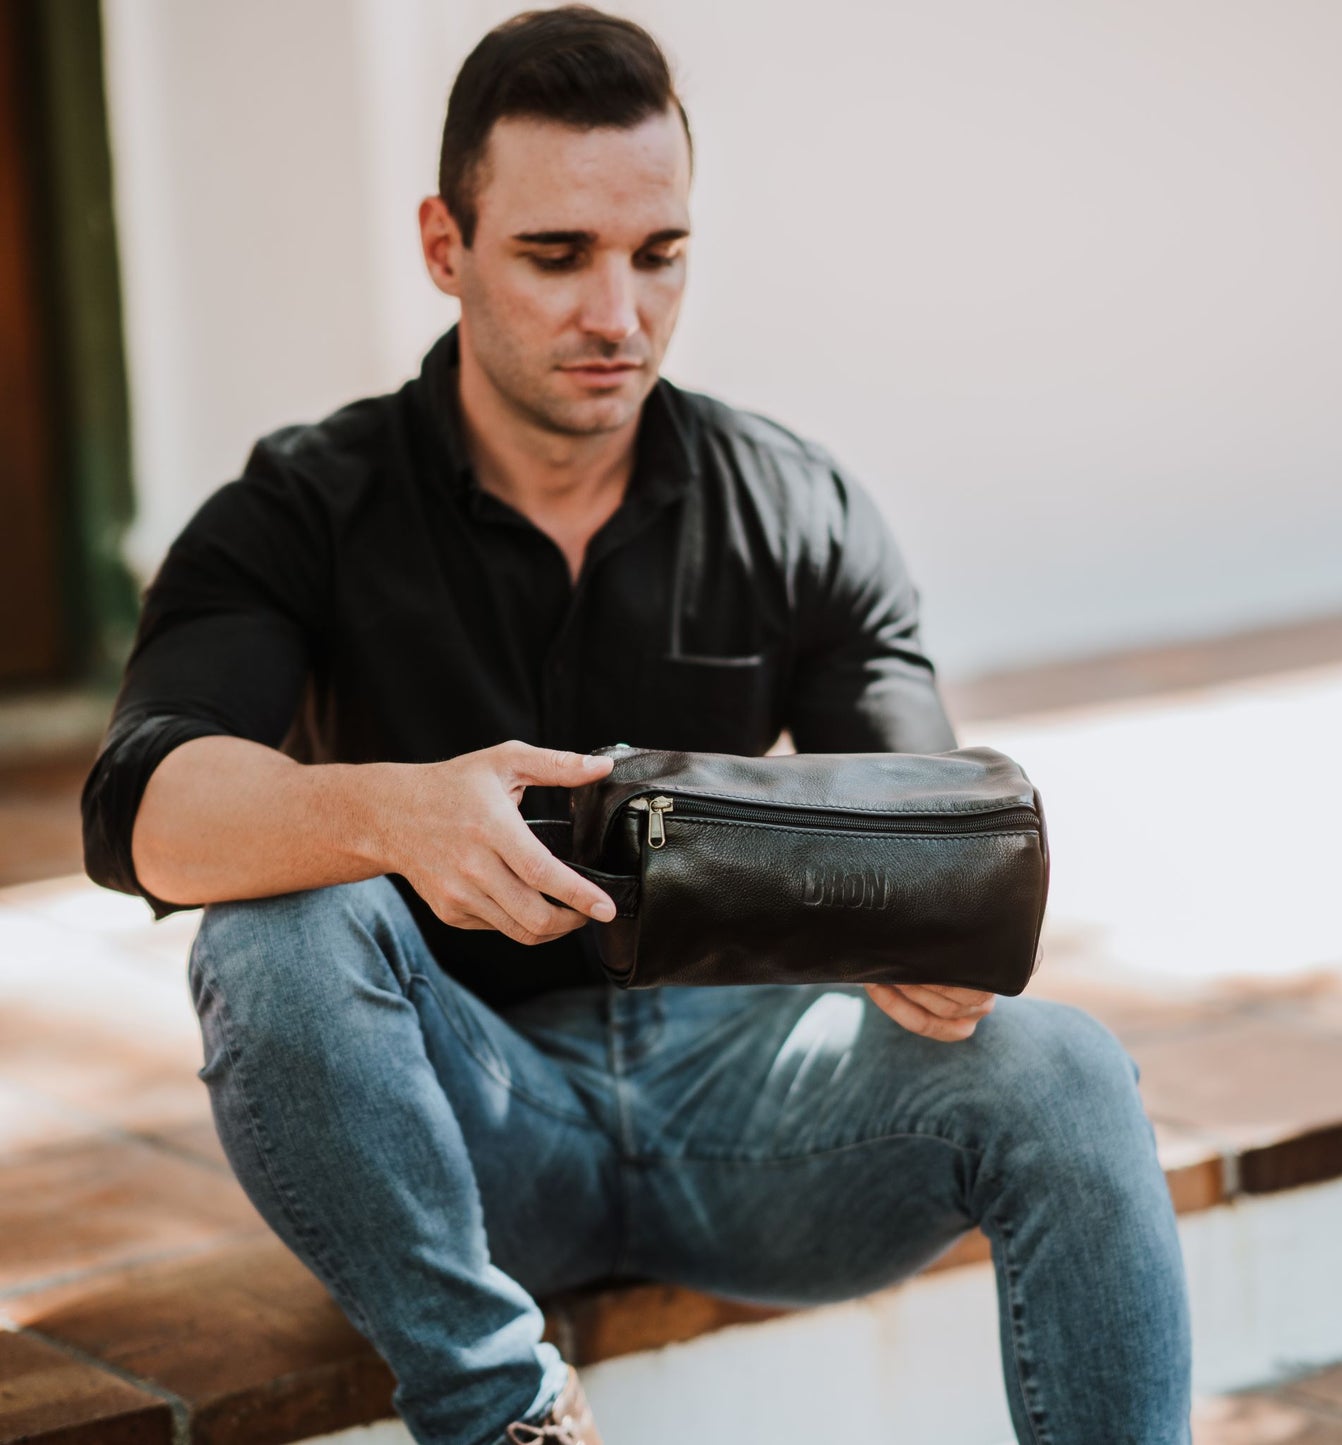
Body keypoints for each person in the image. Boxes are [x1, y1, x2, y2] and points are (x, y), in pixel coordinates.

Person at [81, 7, 1193, 1443]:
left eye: (657, 254)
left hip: (757, 1117)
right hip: (468, 1124)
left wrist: (932, 937)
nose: (618, 314)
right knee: (274, 929)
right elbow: (139, 806)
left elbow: (922, 822)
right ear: (444, 246)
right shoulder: (302, 506)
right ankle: (505, 1411)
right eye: (556, 255)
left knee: (1068, 1067)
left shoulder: (789, 501)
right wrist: (390, 812)